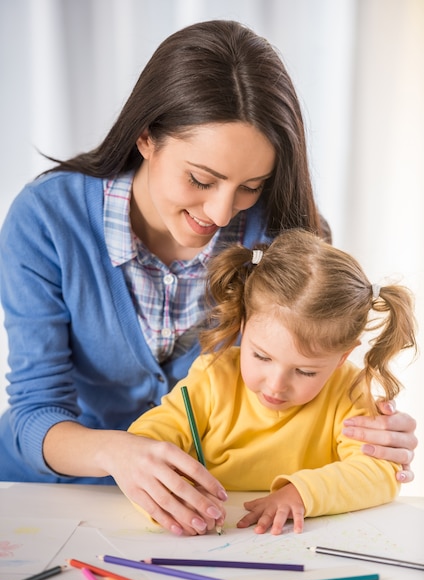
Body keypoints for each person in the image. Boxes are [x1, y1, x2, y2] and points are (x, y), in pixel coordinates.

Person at [0, 20, 417, 537]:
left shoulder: (286, 231)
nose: (222, 213)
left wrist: (371, 436)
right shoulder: (47, 219)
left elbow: (314, 372)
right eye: (201, 179)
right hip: (49, 503)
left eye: (250, 186)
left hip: (209, 516)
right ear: (146, 136)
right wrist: (117, 451)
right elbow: (34, 414)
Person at [128, 229, 417, 535]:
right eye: (262, 357)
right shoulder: (213, 377)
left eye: (305, 371)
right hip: (209, 540)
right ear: (243, 324)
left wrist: (302, 494)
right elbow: (143, 446)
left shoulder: (347, 390)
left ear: (342, 357)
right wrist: (175, 498)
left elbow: (380, 473)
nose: (276, 385)